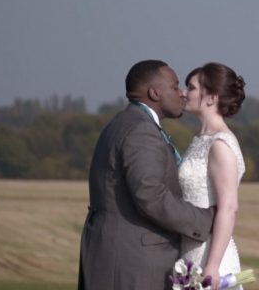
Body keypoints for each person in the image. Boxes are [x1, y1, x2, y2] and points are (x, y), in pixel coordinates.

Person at [78, 60, 215, 290]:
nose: (182, 93)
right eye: (174, 86)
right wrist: (206, 219)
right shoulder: (141, 130)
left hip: (114, 254)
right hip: (132, 263)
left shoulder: (122, 123)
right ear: (154, 92)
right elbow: (150, 195)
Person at [178, 62, 247, 288]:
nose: (184, 93)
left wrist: (212, 266)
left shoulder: (220, 144)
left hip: (209, 258)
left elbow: (228, 207)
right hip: (189, 253)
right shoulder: (200, 140)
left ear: (211, 98)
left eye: (192, 87)